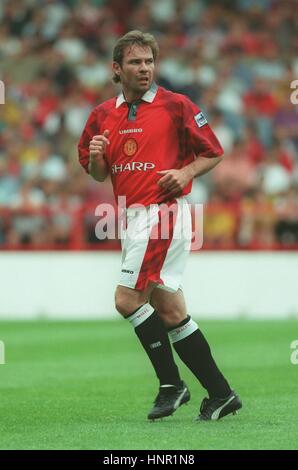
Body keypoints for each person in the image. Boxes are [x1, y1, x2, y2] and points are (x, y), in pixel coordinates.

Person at [78, 30, 242, 421]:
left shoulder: (176, 105)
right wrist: (99, 156)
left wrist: (185, 172)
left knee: (127, 300)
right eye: (135, 62)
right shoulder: (103, 114)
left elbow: (213, 152)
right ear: (116, 69)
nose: (145, 68)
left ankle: (172, 385)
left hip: (162, 212)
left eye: (149, 61)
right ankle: (221, 394)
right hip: (131, 217)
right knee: (169, 309)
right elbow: (99, 174)